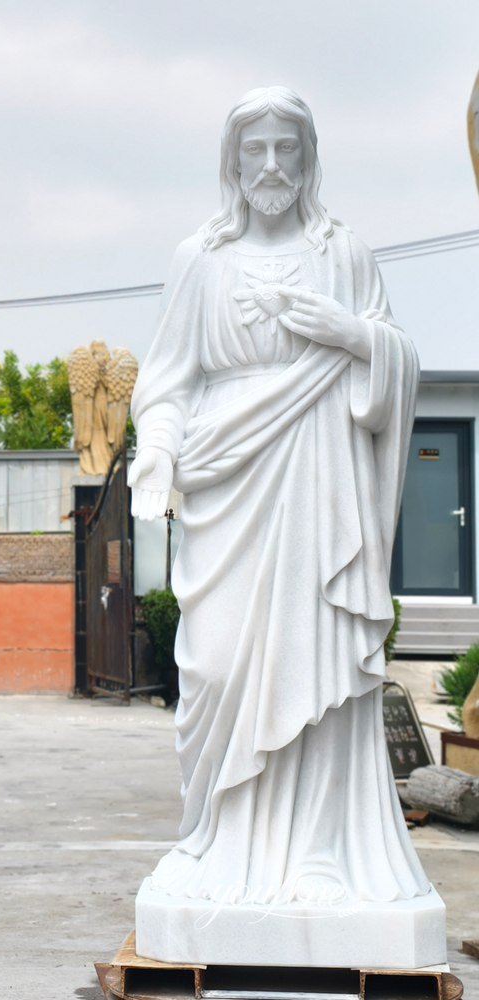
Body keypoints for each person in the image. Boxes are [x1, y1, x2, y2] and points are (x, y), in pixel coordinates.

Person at [128, 87, 430, 909]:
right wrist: (156, 449)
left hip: (321, 475)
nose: (269, 165)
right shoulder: (202, 258)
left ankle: (321, 855)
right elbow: (167, 379)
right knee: (218, 667)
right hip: (230, 481)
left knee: (319, 658)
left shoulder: (346, 255)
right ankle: (215, 840)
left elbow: (396, 360)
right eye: (254, 148)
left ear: (308, 157)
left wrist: (350, 335)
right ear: (232, 161)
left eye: (285, 148)